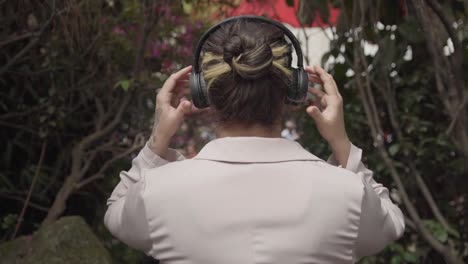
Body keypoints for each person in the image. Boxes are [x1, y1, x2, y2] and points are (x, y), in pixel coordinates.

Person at [104, 16, 405, 264]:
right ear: (294, 89)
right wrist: (342, 145)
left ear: (202, 91)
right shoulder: (348, 191)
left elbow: (115, 213)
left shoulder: (156, 191)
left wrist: (157, 140)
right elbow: (390, 222)